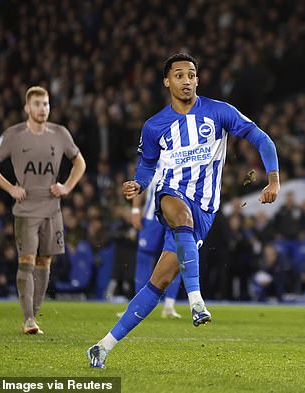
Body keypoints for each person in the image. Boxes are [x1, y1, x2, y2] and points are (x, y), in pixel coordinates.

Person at [88, 53, 280, 368]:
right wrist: (139, 184)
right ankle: (196, 301)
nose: (186, 80)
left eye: (191, 75)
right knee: (181, 216)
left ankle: (103, 346)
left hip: (206, 208)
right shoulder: (154, 126)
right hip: (171, 194)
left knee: (160, 280)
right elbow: (147, 164)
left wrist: (273, 181)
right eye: (179, 75)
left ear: (197, 80)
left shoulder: (220, 112)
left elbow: (263, 140)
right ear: (167, 81)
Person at [0, 86, 86, 334]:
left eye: (46, 104)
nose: (42, 109)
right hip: (26, 209)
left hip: (52, 208)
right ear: (27, 108)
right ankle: (28, 319)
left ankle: (33, 316)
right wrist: (10, 188)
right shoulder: (14, 135)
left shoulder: (60, 134)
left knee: (44, 261)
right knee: (26, 260)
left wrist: (67, 186)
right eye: (37, 104)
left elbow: (79, 161)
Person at [130, 173, 182, 318]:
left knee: (176, 256)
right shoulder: (154, 155)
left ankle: (169, 305)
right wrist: (135, 209)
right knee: (144, 257)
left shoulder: (184, 156)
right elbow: (140, 183)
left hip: (174, 215)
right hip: (151, 216)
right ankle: (137, 305)